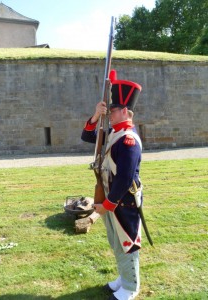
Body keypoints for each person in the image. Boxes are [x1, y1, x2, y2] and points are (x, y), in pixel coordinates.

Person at [81, 69, 143, 300]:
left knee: (128, 242)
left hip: (123, 200)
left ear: (125, 111)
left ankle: (131, 287)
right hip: (113, 198)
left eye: (113, 110)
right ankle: (123, 279)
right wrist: (96, 116)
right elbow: (88, 137)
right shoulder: (115, 132)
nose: (110, 113)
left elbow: (125, 177)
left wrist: (108, 203)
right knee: (116, 242)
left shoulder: (127, 139)